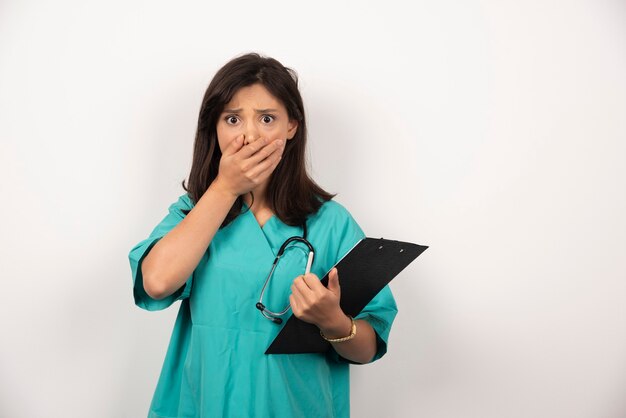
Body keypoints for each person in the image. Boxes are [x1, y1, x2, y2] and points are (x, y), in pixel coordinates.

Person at [128, 52, 398, 418]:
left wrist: (333, 321)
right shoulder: (194, 212)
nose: (249, 135)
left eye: (267, 118)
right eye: (233, 118)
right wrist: (224, 189)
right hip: (203, 405)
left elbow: (367, 347)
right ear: (216, 128)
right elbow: (156, 282)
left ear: (292, 126)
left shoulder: (331, 223)